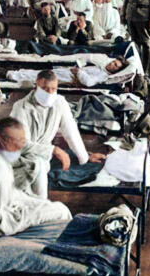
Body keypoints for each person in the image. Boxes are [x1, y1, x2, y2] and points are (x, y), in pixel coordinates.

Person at [0, 117, 74, 274]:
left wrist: (54, 151)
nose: (21, 146)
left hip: (6, 203)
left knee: (44, 204)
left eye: (22, 140)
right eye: (17, 142)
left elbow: (26, 147)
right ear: (1, 140)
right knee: (61, 210)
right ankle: (70, 252)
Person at [10, 70, 106, 198]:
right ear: (37, 84)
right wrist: (53, 150)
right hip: (21, 156)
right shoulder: (20, 107)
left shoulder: (59, 102)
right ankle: (40, 204)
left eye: (53, 89)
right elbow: (20, 144)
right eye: (45, 89)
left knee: (41, 163)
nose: (49, 93)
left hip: (42, 155)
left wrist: (85, 158)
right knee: (37, 166)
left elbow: (71, 131)